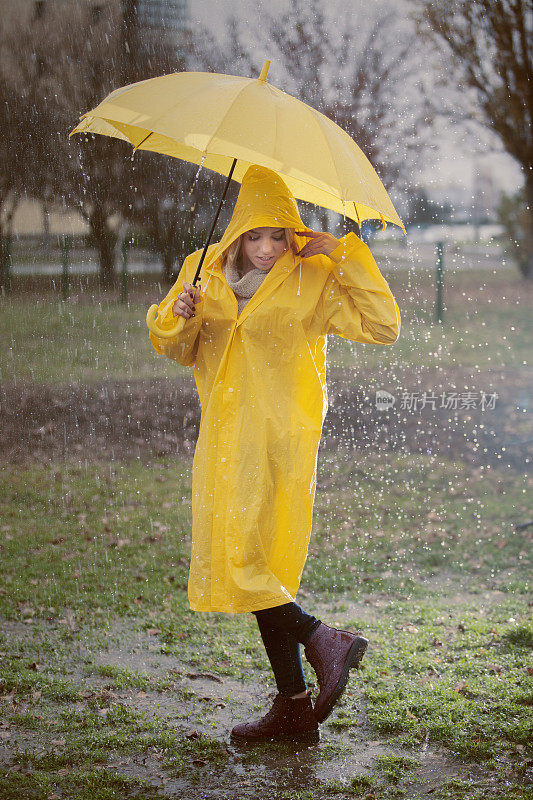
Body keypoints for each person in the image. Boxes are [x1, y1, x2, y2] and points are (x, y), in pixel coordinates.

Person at [148, 165, 401, 743]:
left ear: (295, 234)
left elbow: (383, 325)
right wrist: (176, 314)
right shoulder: (201, 270)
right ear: (236, 231)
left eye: (279, 235)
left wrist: (344, 253)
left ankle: (321, 640)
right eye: (255, 235)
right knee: (250, 567)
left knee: (254, 566)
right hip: (224, 442)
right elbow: (177, 348)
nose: (266, 249)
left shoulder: (312, 277)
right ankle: (295, 704)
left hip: (282, 439)